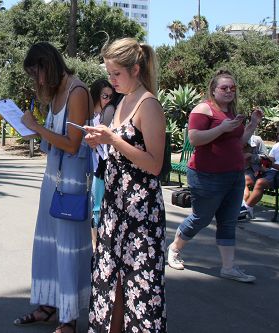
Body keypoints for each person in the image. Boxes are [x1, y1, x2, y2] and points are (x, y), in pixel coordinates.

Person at [84, 38, 167, 333]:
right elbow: (119, 148)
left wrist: (113, 140)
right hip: (116, 206)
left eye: (116, 74)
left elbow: (154, 164)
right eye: (109, 73)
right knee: (112, 280)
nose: (111, 80)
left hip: (140, 212)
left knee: (139, 284)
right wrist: (101, 140)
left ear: (135, 69)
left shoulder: (149, 104)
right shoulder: (123, 102)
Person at [13, 42, 92, 333]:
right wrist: (32, 129)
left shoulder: (77, 91)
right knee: (47, 245)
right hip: (53, 180)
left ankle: (68, 319)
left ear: (49, 65)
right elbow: (52, 144)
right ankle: (49, 305)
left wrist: (36, 127)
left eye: (38, 72)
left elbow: (73, 144)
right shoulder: (58, 92)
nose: (38, 80)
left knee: (68, 248)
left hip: (71, 185)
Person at [167, 69, 262, 283]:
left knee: (228, 221)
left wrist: (252, 125)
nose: (229, 91)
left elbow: (237, 143)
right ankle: (174, 248)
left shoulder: (231, 112)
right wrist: (222, 128)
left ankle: (228, 267)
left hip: (234, 174)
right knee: (202, 217)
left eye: (232, 88)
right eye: (224, 88)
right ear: (213, 89)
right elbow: (195, 138)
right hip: (206, 175)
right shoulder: (203, 109)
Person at [88, 79, 122, 249]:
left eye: (111, 96)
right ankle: (95, 244)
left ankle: (102, 243)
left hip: (105, 168)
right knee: (96, 207)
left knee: (102, 207)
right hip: (92, 169)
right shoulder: (89, 117)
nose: (108, 99)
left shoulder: (111, 116)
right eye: (104, 96)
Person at [242, 120, 279, 218]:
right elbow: (269, 160)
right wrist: (261, 169)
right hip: (270, 173)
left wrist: (270, 165)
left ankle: (246, 208)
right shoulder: (277, 146)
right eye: (278, 134)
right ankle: (242, 205)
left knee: (261, 182)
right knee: (242, 179)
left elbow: (275, 165)